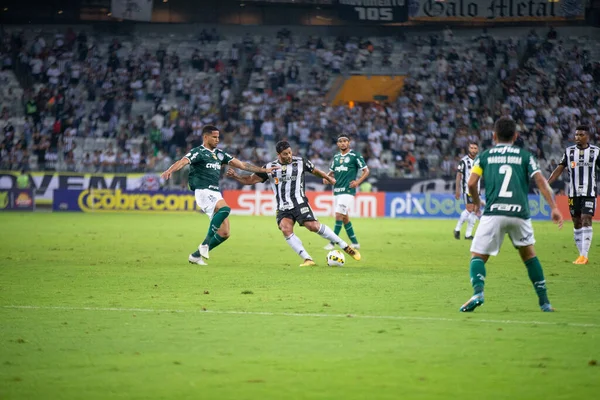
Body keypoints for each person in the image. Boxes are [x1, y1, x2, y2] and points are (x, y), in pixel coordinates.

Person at [459, 117, 563, 313]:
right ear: (515, 136)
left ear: (494, 136)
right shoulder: (525, 157)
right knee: (529, 256)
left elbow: (471, 183)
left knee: (478, 256)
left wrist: (475, 202)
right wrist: (554, 208)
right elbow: (541, 182)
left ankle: (478, 292)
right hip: (519, 213)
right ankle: (544, 302)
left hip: (494, 212)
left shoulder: (485, 156)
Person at [226, 140, 361, 267]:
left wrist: (328, 178)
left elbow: (315, 171)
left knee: (313, 226)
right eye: (285, 154)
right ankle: (307, 259)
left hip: (299, 202)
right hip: (283, 206)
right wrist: (236, 176)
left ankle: (345, 246)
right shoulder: (269, 167)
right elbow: (251, 180)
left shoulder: (300, 162)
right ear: (278, 154)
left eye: (290, 152)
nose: (289, 155)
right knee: (285, 228)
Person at [161, 125, 278, 265]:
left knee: (225, 233)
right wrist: (170, 170)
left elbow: (242, 165)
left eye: (218, 137)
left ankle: (195, 256)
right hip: (203, 191)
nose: (217, 140)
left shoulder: (220, 154)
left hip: (215, 192)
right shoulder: (198, 152)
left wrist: (264, 170)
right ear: (205, 137)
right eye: (214, 137)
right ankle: (204, 244)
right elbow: (182, 162)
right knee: (225, 209)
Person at [548, 125, 599, 265]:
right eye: (576, 135)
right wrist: (547, 183)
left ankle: (584, 256)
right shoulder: (569, 152)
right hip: (573, 193)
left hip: (589, 192)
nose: (577, 137)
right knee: (577, 222)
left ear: (587, 136)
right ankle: (580, 255)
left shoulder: (596, 152)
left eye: (581, 135)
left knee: (586, 218)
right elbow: (559, 169)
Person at [323, 135, 370, 250]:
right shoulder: (336, 157)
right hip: (337, 190)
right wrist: (326, 178)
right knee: (344, 218)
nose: (343, 143)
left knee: (338, 215)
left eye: (345, 141)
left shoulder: (355, 155)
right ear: (337, 144)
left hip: (348, 190)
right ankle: (355, 242)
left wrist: (358, 182)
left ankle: (332, 242)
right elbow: (331, 172)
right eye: (340, 141)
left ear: (349, 143)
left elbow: (366, 170)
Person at [454, 143, 480, 240]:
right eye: (471, 148)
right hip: (467, 189)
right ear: (468, 149)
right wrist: (457, 190)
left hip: (477, 190)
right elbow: (458, 175)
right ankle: (457, 229)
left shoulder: (480, 160)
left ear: (477, 150)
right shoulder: (463, 161)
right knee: (469, 209)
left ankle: (468, 234)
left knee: (474, 211)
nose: (473, 150)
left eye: (475, 148)